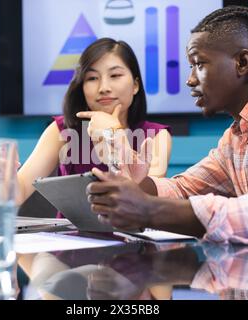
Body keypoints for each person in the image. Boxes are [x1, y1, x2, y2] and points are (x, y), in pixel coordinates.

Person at [86, 6, 248, 251]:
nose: (190, 79)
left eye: (200, 64)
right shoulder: (236, 138)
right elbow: (184, 190)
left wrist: (149, 210)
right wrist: (136, 184)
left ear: (242, 62)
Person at [16, 38, 172, 214]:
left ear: (135, 85)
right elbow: (18, 191)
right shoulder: (62, 129)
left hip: (133, 236)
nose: (103, 87)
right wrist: (1, 176)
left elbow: (147, 203)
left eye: (115, 76)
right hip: (70, 239)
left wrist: (114, 133)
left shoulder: (156, 136)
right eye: (92, 78)